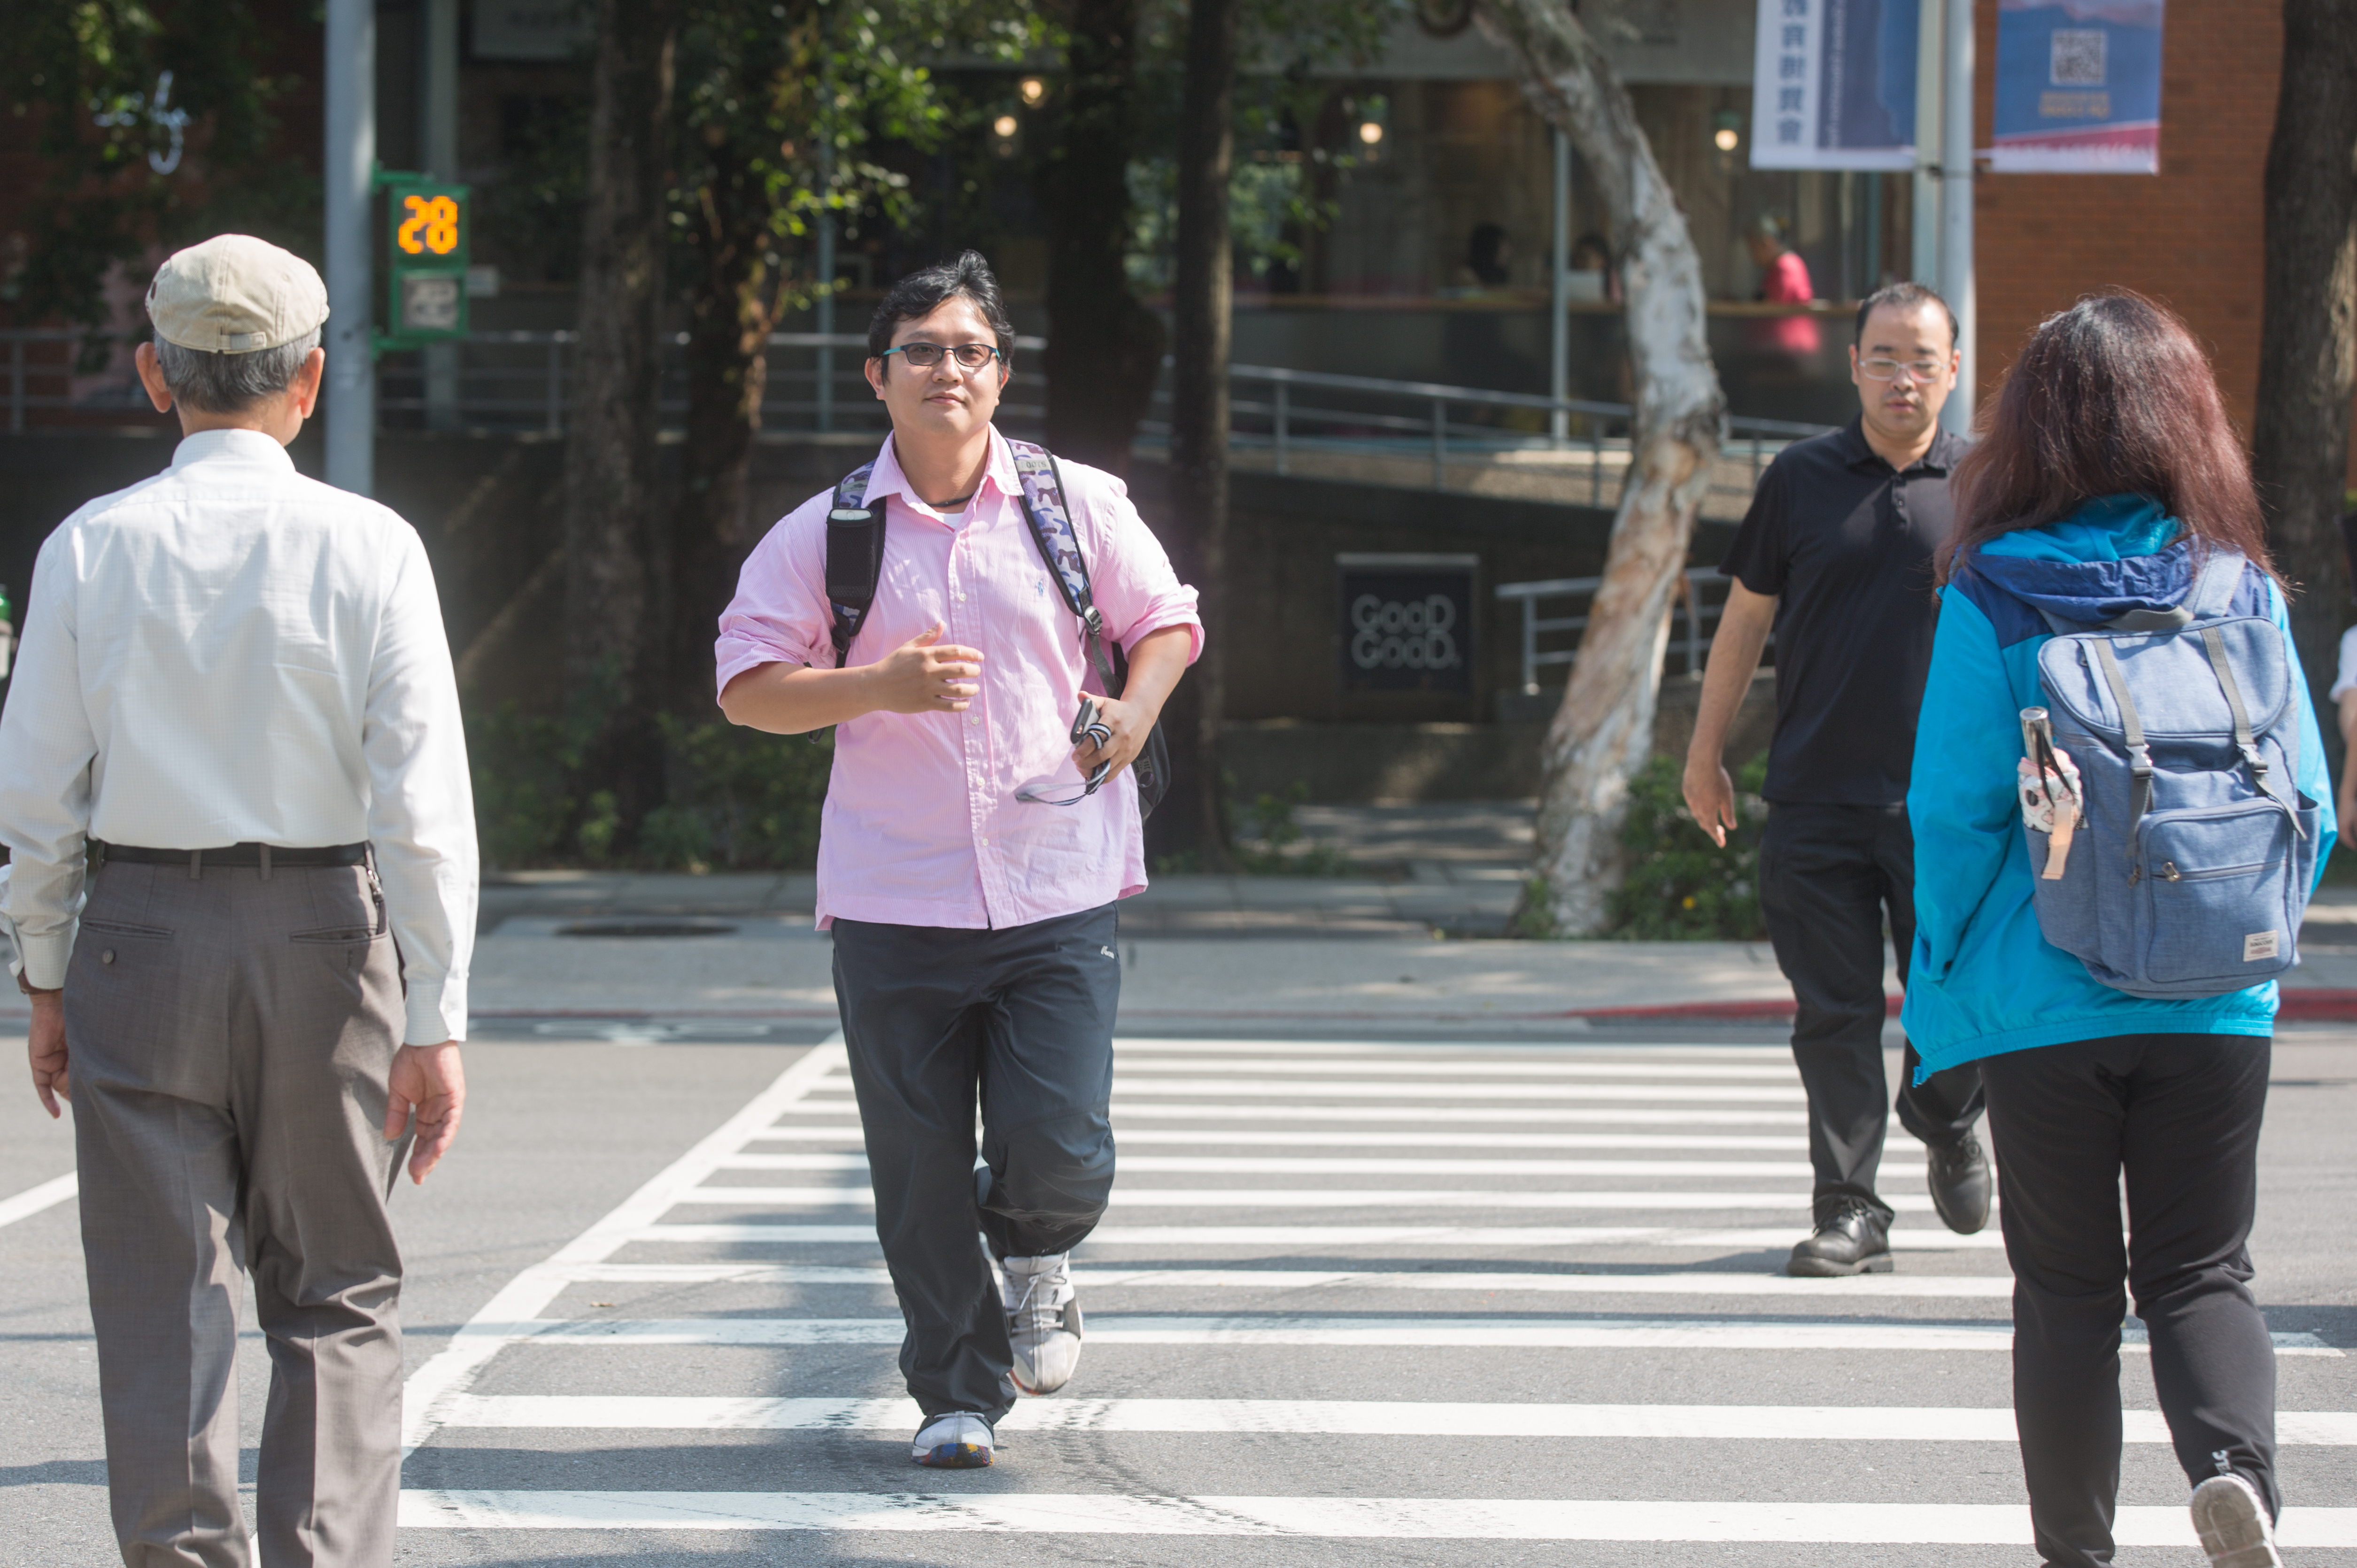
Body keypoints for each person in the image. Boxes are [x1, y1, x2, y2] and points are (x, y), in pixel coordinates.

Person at [0, 234, 476, 1568]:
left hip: (138, 933)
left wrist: (44, 973)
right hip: (328, 928)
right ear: (311, 380)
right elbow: (424, 803)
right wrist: (436, 1008)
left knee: (163, 1295)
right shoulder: (373, 545)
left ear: (156, 374)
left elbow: (34, 796)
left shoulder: (87, 548)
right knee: (336, 1287)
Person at [714, 251, 1200, 1471]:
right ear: (879, 376)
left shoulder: (1071, 503)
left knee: (1060, 1142)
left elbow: (1167, 621)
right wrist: (875, 684)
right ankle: (955, 1391)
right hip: (894, 898)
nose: (948, 369)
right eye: (922, 350)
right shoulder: (826, 535)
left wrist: (1132, 714)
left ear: (999, 373)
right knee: (918, 1167)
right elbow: (746, 688)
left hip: (1057, 877)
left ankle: (1037, 1249)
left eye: (970, 350)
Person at [1905, 291, 2331, 1568]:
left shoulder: (1992, 592)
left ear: (2029, 429)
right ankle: (2232, 1473)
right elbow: (2302, 796)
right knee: (2205, 1270)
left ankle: (2075, 1553)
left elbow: (1948, 813)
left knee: (2069, 1295)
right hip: (2214, 995)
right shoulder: (2238, 585)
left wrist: (1943, 994)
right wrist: (2238, 941)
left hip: (2046, 997)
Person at [1684, 280, 1989, 1276]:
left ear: (1951, 367)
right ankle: (1850, 1206)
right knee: (1835, 1011)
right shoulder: (1800, 478)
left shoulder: (1990, 486)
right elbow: (1743, 620)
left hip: (1952, 804)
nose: (1904, 375)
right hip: (1815, 793)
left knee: (1954, 995)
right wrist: (1704, 751)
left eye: (1923, 358)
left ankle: (1946, 1117)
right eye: (1884, 356)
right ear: (1852, 364)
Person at [1746, 214, 1821, 355]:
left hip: (1791, 350)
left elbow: (1774, 310)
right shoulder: (1780, 266)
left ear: (1767, 242)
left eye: (1753, 249)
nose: (1752, 256)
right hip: (1784, 348)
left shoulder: (1785, 266)